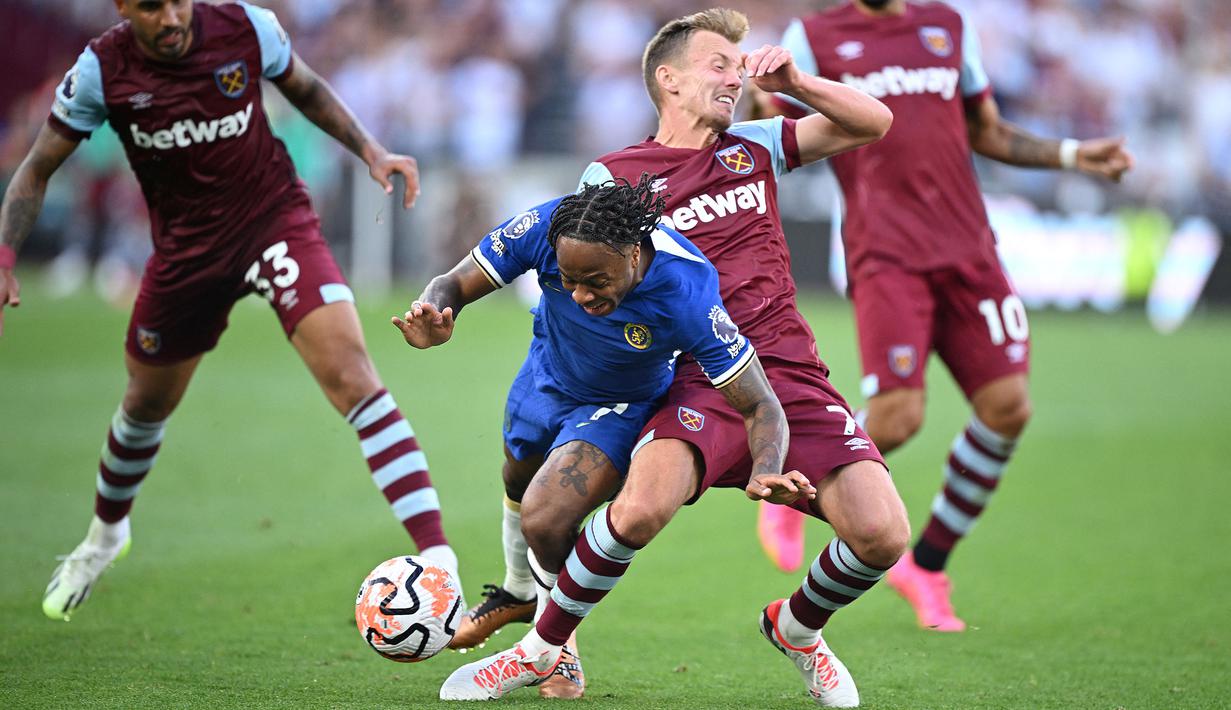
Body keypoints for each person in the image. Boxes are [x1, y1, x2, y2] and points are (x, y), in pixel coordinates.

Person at [440, 9, 906, 707]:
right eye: (719, 64)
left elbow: (873, 123)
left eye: (737, 64)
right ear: (669, 79)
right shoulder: (617, 178)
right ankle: (541, 650)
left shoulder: (752, 146)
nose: (734, 75)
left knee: (881, 536)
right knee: (636, 513)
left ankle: (798, 629)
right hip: (693, 376)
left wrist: (797, 81)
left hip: (789, 371)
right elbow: (591, 283)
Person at [0, 0, 457, 621]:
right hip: (187, 255)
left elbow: (307, 88)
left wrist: (370, 149)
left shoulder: (246, 27)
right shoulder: (102, 70)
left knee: (354, 375)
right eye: (150, 8)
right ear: (122, 9)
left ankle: (438, 561)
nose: (169, 18)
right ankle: (105, 536)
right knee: (144, 404)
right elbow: (36, 168)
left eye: (176, 1)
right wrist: (5, 257)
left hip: (274, 222)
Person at [752, 0, 1136, 633]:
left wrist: (1072, 156)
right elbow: (773, 133)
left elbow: (986, 131)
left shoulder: (947, 26)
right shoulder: (815, 37)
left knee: (1009, 408)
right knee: (900, 417)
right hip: (887, 255)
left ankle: (927, 565)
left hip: (969, 249)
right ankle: (796, 472)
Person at [396, 174, 802, 701]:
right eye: (569, 280)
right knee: (516, 475)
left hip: (620, 403)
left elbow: (761, 402)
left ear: (635, 255)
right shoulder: (548, 225)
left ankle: (556, 648)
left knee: (547, 514)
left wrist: (768, 466)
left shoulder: (686, 290)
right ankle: (519, 591)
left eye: (596, 282)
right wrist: (435, 311)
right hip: (545, 372)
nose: (581, 294)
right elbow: (454, 281)